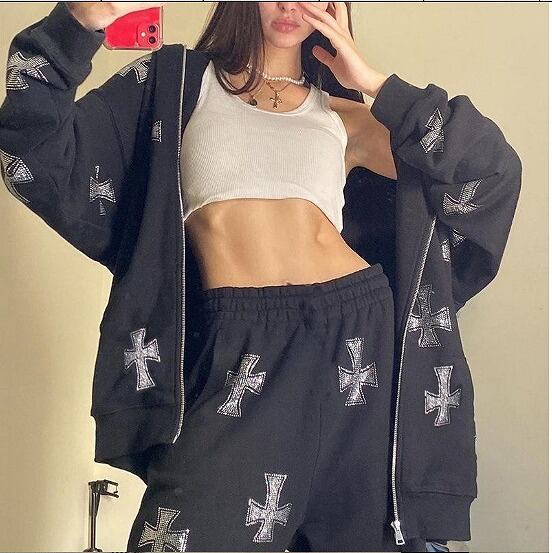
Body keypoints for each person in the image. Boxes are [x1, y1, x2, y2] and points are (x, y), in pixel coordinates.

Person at [0, 1, 522, 551]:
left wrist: (374, 83)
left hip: (357, 339)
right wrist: (77, 23)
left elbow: (490, 173)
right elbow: (33, 156)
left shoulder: (340, 114)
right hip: (241, 343)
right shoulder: (174, 86)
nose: (291, 4)